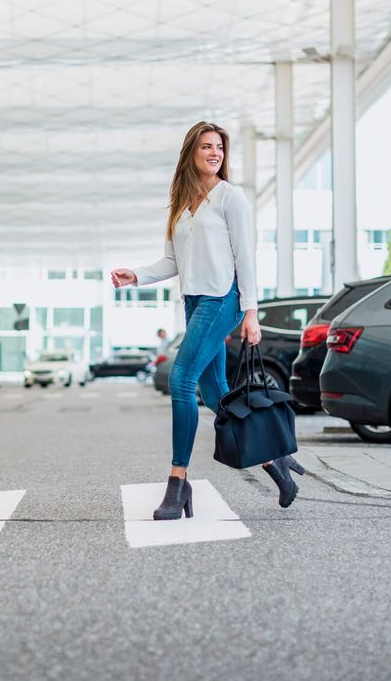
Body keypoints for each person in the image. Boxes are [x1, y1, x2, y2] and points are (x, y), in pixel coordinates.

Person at [111, 120, 302, 518]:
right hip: (195, 302)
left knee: (182, 381)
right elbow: (172, 261)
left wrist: (250, 311)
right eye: (206, 147)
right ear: (190, 154)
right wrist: (137, 276)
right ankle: (275, 462)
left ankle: (178, 483)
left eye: (219, 147)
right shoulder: (181, 203)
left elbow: (245, 257)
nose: (214, 153)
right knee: (218, 395)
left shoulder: (231, 198)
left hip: (223, 299)